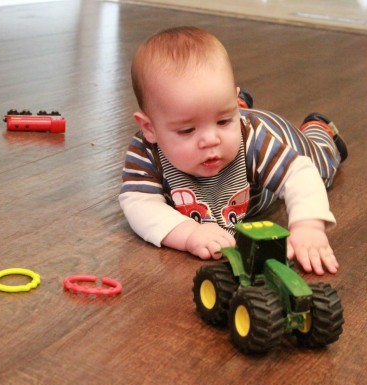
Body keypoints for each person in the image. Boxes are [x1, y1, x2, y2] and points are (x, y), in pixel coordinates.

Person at [119, 26, 348, 275]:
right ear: (149, 128)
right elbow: (139, 203)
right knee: (213, 113)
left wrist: (308, 227)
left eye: (222, 121)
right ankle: (229, 107)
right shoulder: (146, 151)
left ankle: (320, 130)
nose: (210, 140)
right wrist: (188, 232)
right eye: (187, 130)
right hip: (235, 118)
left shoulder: (254, 140)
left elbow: (300, 175)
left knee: (322, 166)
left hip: (282, 135)